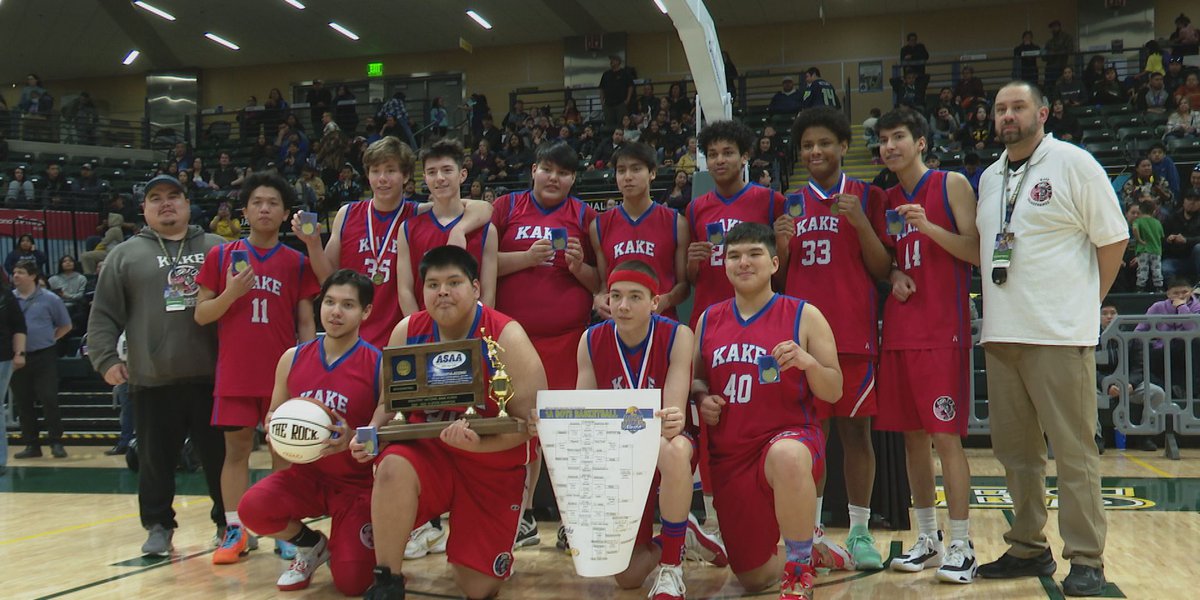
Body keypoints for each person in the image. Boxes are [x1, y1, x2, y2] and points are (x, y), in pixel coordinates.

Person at [975, 81, 1128, 597]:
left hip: (1059, 336)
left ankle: (1087, 557)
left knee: (1073, 451)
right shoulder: (991, 176)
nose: (1008, 116)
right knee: (1015, 453)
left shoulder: (1074, 163)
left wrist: (1085, 304)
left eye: (1018, 107)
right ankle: (1027, 546)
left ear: (1043, 111)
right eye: (1000, 109)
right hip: (1002, 334)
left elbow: (1114, 238)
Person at [359, 246, 547, 600]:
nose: (442, 291)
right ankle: (388, 578)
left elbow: (529, 425)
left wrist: (481, 444)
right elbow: (389, 401)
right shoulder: (407, 331)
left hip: (491, 463)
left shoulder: (507, 336)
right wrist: (371, 432)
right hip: (428, 456)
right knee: (392, 467)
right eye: (432, 284)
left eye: (453, 282)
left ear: (476, 288)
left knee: (478, 589)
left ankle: (475, 542)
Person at [692, 221, 843, 599]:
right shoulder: (708, 319)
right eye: (734, 256)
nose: (744, 263)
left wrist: (808, 363)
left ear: (775, 263)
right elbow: (696, 381)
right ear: (723, 263)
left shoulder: (804, 315)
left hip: (790, 437)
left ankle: (797, 568)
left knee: (787, 455)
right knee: (753, 577)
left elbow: (835, 389)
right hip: (731, 456)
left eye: (754, 254)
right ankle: (813, 553)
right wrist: (701, 398)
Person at [86, 174, 229, 556]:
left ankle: (227, 525)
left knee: (221, 459)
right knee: (154, 462)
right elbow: (102, 315)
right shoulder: (125, 255)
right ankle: (159, 526)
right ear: (144, 209)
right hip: (151, 378)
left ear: (187, 203)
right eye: (155, 198)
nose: (165, 203)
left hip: (213, 378)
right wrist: (105, 360)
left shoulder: (218, 247)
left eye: (173, 196)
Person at [776, 107, 893, 572]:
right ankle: (815, 531)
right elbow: (780, 277)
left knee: (856, 433)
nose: (816, 152)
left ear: (844, 147)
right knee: (811, 438)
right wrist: (782, 247)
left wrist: (862, 223)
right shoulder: (790, 204)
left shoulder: (870, 195)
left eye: (824, 143)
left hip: (853, 333)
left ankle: (861, 530)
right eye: (807, 146)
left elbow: (884, 269)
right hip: (803, 339)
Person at [566, 260, 726, 599]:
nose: (623, 306)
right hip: (618, 454)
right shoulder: (590, 340)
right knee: (627, 577)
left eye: (635, 297)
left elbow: (673, 416)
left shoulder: (678, 334)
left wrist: (669, 420)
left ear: (655, 302)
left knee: (674, 448)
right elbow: (587, 411)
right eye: (616, 296)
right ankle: (683, 534)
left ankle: (671, 567)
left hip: (664, 442)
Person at [874, 108, 981, 583]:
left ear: (920, 142)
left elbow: (975, 251)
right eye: (883, 140)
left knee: (946, 438)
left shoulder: (950, 184)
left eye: (899, 137)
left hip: (944, 330)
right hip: (900, 331)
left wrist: (928, 227)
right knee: (912, 439)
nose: (890, 146)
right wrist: (895, 274)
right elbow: (889, 262)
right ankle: (928, 538)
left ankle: (962, 542)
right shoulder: (886, 198)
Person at [194, 172, 321, 565]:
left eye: (273, 203)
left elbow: (305, 323)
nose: (265, 208)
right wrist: (232, 292)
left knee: (283, 452)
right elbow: (201, 315)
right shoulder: (221, 256)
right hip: (235, 373)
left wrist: (305, 369)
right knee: (236, 452)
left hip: (281, 376)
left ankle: (284, 528)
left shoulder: (296, 262)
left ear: (285, 214)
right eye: (257, 202)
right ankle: (234, 529)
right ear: (245, 211)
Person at [238, 269, 380, 595]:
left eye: (348, 305)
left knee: (353, 583)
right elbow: (272, 414)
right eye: (329, 302)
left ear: (366, 312)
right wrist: (275, 429)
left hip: (357, 485)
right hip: (306, 477)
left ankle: (369, 543)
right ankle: (312, 546)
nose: (335, 311)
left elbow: (384, 433)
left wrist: (352, 440)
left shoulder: (377, 364)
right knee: (253, 508)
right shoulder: (292, 358)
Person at [491, 141, 598, 547]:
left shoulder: (584, 216)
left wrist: (576, 267)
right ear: (534, 170)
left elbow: (600, 283)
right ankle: (523, 517)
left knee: (568, 432)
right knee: (522, 431)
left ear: (573, 179)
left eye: (564, 173)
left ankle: (573, 518)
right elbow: (483, 265)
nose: (555, 178)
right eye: (548, 169)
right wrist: (524, 258)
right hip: (515, 342)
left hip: (568, 340)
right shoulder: (506, 207)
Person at [292, 136, 492, 348]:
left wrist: (460, 228)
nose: (382, 179)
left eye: (390, 170)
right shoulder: (347, 214)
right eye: (375, 171)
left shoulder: (419, 214)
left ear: (406, 176)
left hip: (400, 337)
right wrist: (313, 244)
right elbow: (328, 279)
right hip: (354, 339)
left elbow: (484, 208)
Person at [686, 120, 786, 329]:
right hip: (709, 317)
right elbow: (694, 278)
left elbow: (782, 269)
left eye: (728, 153)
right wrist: (692, 263)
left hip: (759, 316)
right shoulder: (695, 209)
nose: (719, 160)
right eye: (713, 155)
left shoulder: (771, 201)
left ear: (744, 157)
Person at [589, 143, 690, 322]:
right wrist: (599, 298)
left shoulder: (677, 223)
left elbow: (684, 286)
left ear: (652, 173)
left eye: (636, 169)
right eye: (621, 171)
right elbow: (604, 284)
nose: (628, 177)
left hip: (661, 324)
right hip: (618, 324)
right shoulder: (598, 226)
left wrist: (665, 301)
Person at [396, 140, 498, 315]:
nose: (440, 178)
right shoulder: (407, 229)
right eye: (431, 172)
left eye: (447, 170)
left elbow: (488, 294)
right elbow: (405, 291)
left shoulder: (487, 230)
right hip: (426, 333)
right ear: (425, 178)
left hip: (471, 332)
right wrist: (420, 331)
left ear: (462, 174)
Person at [10, 259, 71, 459]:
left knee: (48, 398)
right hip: (18, 357)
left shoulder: (50, 299)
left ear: (33, 276)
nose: (15, 276)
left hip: (44, 355)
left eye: (20, 272)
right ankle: (31, 444)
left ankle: (56, 441)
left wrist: (49, 339)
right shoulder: (10, 299)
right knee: (23, 401)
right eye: (14, 272)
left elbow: (65, 325)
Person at [0, 271, 27, 475]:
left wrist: (19, 353)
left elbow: (19, 327)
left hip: (2, 357)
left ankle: (0, 460)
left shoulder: (6, 296)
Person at [1162, 190, 1200, 280]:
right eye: (1189, 199)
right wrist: (1168, 239)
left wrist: (1186, 240)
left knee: (1199, 248)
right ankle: (1174, 292)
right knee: (1165, 269)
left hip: (1195, 259)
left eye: (1196, 200)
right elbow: (1161, 239)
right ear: (1183, 201)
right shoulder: (1171, 218)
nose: (1192, 202)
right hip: (1175, 258)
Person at [1132, 199, 1165, 292]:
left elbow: (1134, 229)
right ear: (1154, 211)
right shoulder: (1157, 222)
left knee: (1143, 269)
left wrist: (1139, 240)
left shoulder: (1138, 221)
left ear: (1140, 210)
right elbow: (1161, 235)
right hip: (1156, 250)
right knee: (1157, 269)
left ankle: (1140, 288)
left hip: (1143, 249)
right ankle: (1159, 287)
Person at [600, 55, 635, 131]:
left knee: (621, 125)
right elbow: (601, 88)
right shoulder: (606, 74)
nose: (611, 62)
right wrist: (602, 101)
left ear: (618, 61)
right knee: (609, 126)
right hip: (608, 104)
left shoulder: (625, 73)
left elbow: (630, 86)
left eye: (613, 60)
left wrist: (627, 100)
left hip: (621, 104)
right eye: (610, 60)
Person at [1044, 20, 1075, 90]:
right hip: (1050, 67)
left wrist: (1054, 53)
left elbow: (1070, 50)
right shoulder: (1049, 42)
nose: (1053, 29)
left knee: (1061, 87)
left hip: (1061, 66)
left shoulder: (1067, 37)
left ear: (1059, 27)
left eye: (1055, 27)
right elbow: (1044, 56)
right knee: (1049, 87)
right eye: (1052, 27)